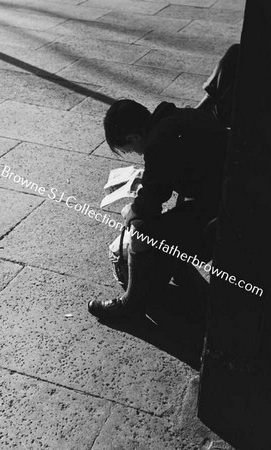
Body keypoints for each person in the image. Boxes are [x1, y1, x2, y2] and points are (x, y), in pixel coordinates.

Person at [88, 44, 240, 320]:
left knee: (142, 231)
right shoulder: (175, 120)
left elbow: (148, 207)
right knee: (169, 223)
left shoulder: (160, 143)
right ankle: (191, 284)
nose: (136, 154)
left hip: (226, 213)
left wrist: (130, 211)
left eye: (130, 149)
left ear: (134, 137)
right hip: (228, 195)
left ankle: (131, 305)